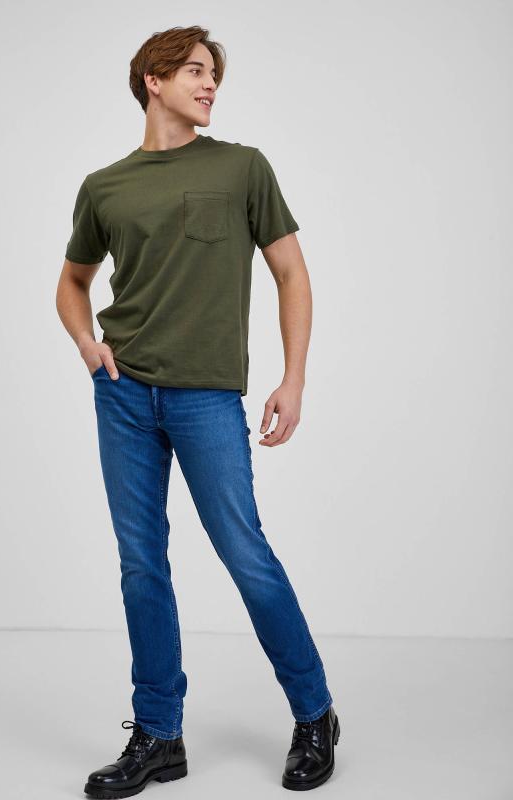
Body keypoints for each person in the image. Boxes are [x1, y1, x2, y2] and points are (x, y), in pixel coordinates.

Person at [56, 25, 339, 797]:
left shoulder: (243, 168)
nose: (210, 83)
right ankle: (159, 735)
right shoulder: (106, 186)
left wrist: (294, 378)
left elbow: (292, 273)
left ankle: (314, 712)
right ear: (153, 80)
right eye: (194, 70)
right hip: (123, 395)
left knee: (244, 552)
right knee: (141, 563)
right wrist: (87, 344)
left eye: (214, 73)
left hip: (207, 396)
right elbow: (73, 282)